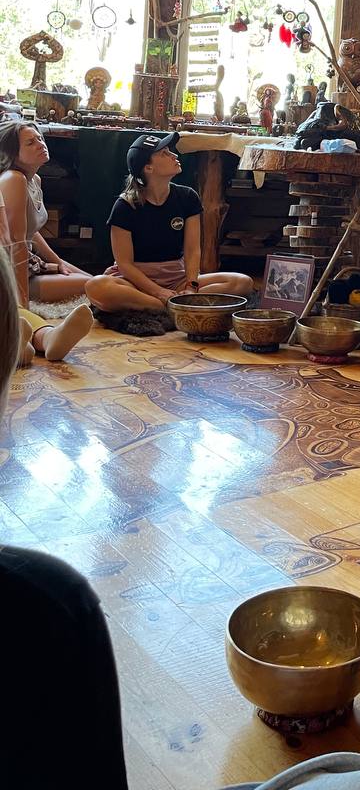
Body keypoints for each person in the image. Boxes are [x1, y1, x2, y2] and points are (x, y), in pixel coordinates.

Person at [0, 250, 129, 788]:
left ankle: (38, 340)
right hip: (31, 290)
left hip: (36, 288)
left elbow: (37, 250)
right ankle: (35, 339)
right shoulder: (44, 603)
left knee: (63, 301)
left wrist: (60, 266)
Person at [86, 132, 253, 314]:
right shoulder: (125, 205)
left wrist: (191, 286)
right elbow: (124, 264)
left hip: (176, 278)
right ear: (148, 168)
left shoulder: (187, 197)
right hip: (135, 282)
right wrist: (158, 292)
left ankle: (175, 303)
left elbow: (192, 250)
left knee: (242, 283)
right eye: (164, 153)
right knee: (96, 286)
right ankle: (169, 306)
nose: (174, 155)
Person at [0, 118, 94, 362]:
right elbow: (16, 243)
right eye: (30, 143)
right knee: (91, 286)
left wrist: (58, 261)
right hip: (8, 268)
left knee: (94, 281)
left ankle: (26, 343)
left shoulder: (35, 180)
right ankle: (47, 337)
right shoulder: (13, 179)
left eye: (40, 138)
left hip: (28, 264)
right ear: (13, 153)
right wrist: (21, 299)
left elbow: (32, 232)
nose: (41, 144)